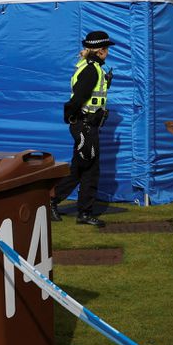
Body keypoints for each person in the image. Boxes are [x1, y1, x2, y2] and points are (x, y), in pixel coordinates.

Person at [51, 30, 114, 227]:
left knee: (82, 168)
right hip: (85, 126)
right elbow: (77, 98)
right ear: (101, 50)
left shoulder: (93, 68)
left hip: (86, 126)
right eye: (107, 49)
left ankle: (64, 204)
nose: (108, 53)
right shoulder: (91, 70)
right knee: (88, 170)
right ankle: (78, 210)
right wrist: (72, 117)